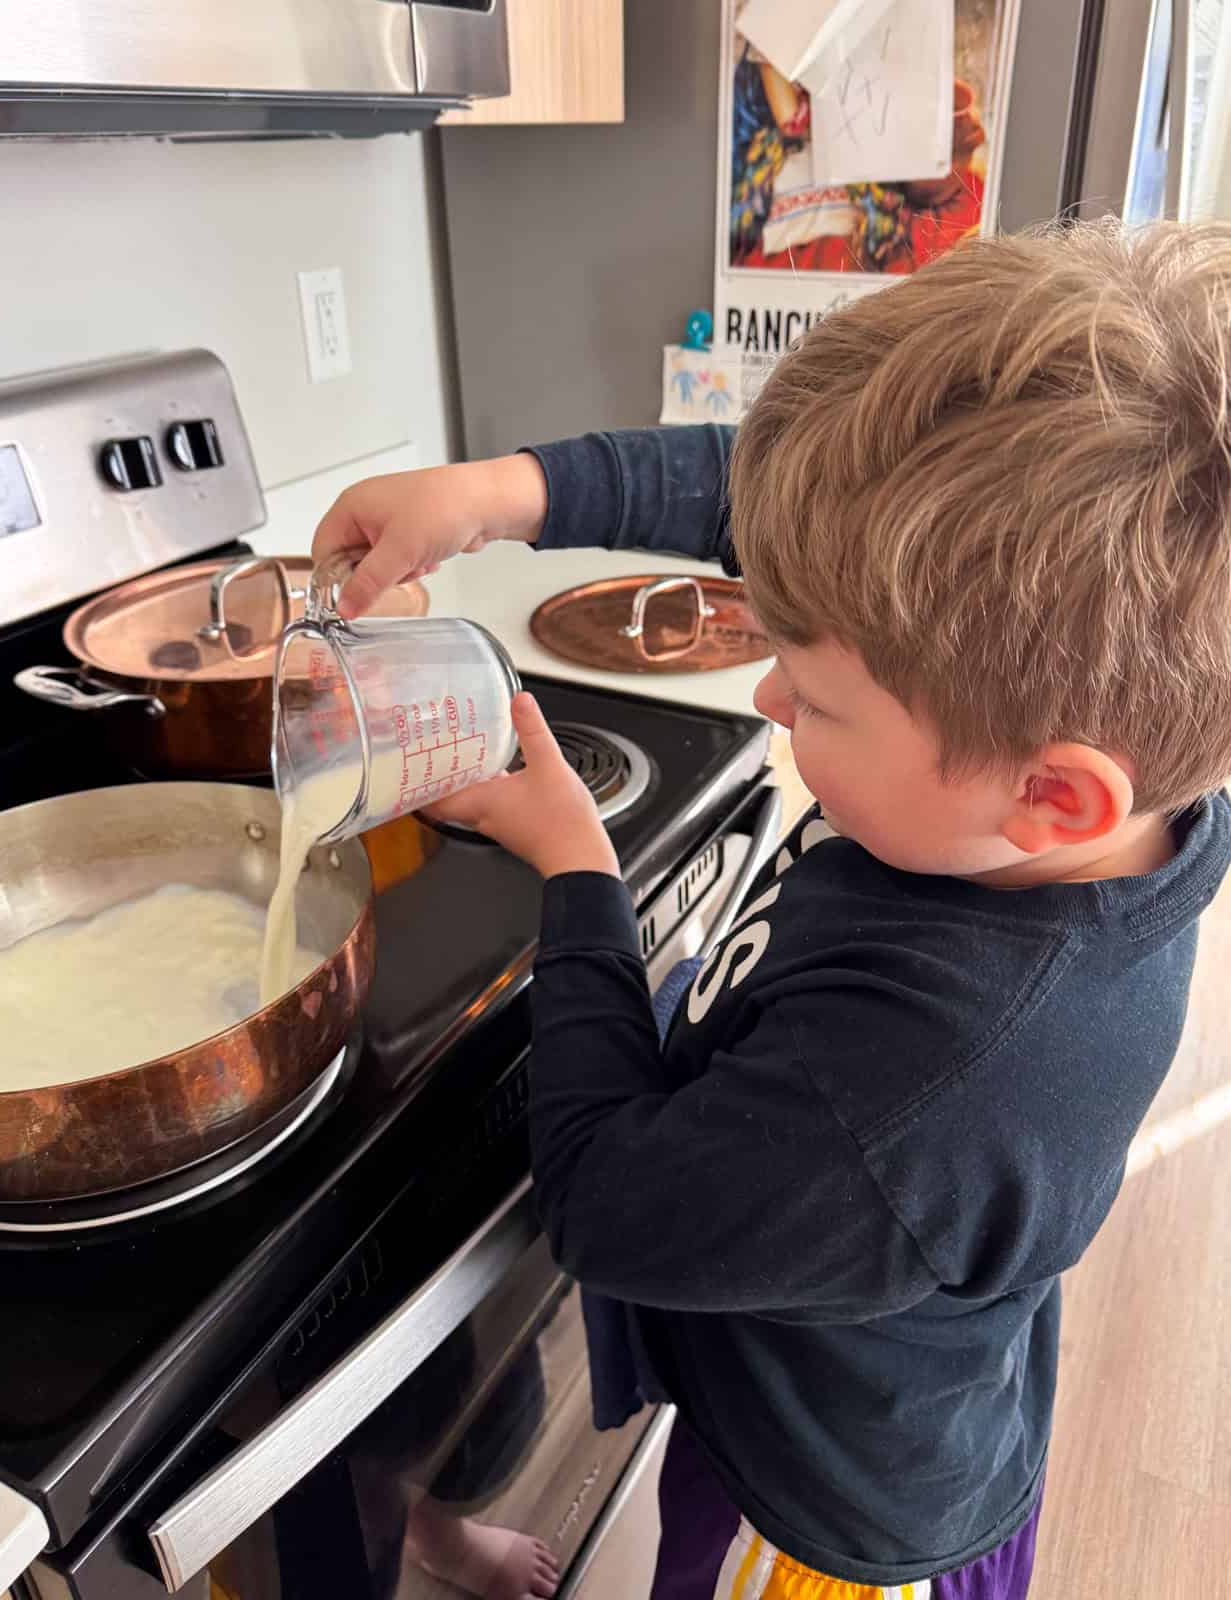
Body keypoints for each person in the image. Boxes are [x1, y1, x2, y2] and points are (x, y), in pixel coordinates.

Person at [312, 221, 1231, 1599]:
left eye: (819, 693)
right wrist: (501, 490)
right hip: (873, 1396)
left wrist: (581, 873)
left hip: (820, 1540)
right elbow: (766, 498)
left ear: (1056, 797)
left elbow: (607, 1206)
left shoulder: (914, 1092)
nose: (768, 698)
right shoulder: (1109, 798)